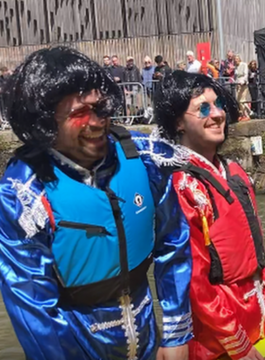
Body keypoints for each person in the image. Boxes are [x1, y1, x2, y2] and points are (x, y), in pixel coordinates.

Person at [0, 46, 193, 360]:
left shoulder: (143, 158)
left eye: (100, 108)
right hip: (80, 341)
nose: (97, 122)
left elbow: (173, 243)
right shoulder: (22, 193)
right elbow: (33, 306)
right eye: (79, 114)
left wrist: (175, 334)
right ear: (45, 122)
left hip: (148, 334)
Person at [153, 71, 265, 360]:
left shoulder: (236, 173)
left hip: (254, 317)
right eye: (203, 109)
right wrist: (236, 341)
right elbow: (194, 281)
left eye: (218, 105)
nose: (218, 114)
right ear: (178, 121)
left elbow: (257, 252)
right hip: (214, 336)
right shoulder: (182, 186)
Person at [234, 55, 250, 121]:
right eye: (235, 59)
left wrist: (243, 81)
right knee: (238, 100)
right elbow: (236, 76)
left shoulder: (244, 65)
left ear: (239, 59)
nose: (236, 60)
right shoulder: (236, 67)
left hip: (243, 84)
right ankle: (244, 114)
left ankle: (247, 114)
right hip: (237, 84)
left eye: (237, 59)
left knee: (242, 100)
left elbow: (245, 74)